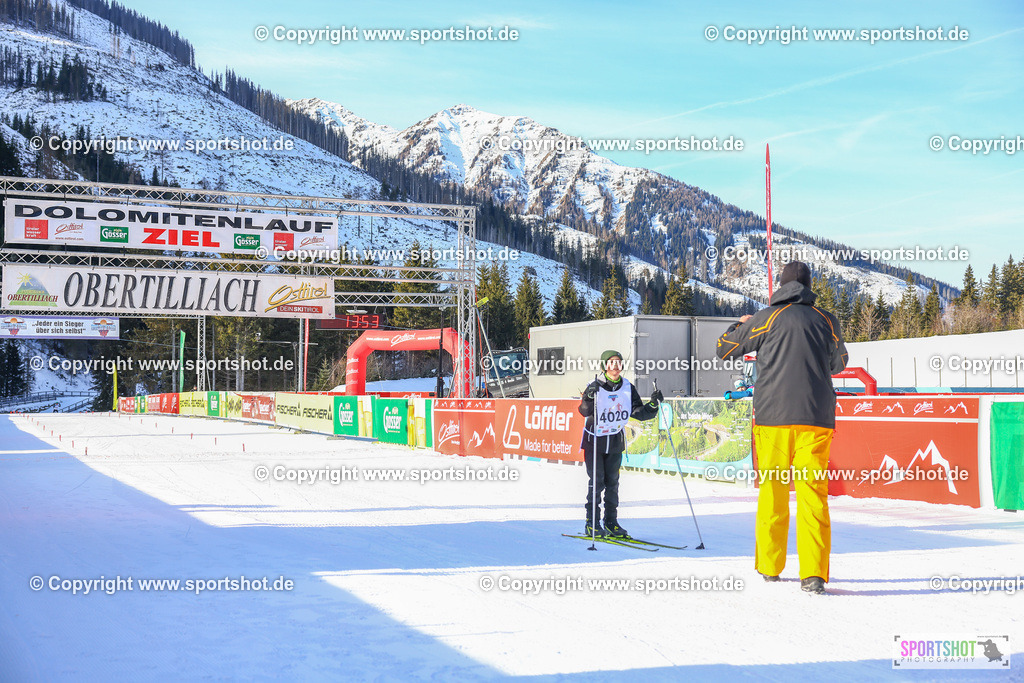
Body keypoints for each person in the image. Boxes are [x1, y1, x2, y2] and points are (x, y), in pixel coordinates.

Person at [715, 261, 848, 595]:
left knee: (773, 492)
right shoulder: (826, 320)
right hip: (816, 417)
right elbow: (839, 363)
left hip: (774, 416)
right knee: (812, 495)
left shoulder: (767, 317)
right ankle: (813, 575)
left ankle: (771, 566)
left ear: (782, 285)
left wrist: (739, 325)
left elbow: (724, 349)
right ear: (809, 286)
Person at [578, 350, 663, 538]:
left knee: (613, 483)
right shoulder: (595, 385)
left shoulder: (627, 387)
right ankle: (592, 523)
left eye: (618, 362)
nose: (615, 365)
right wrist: (588, 397)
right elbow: (584, 411)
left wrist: (653, 405)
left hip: (615, 440)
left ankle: (611, 522)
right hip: (595, 441)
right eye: (611, 362)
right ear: (604, 366)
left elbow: (638, 411)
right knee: (597, 482)